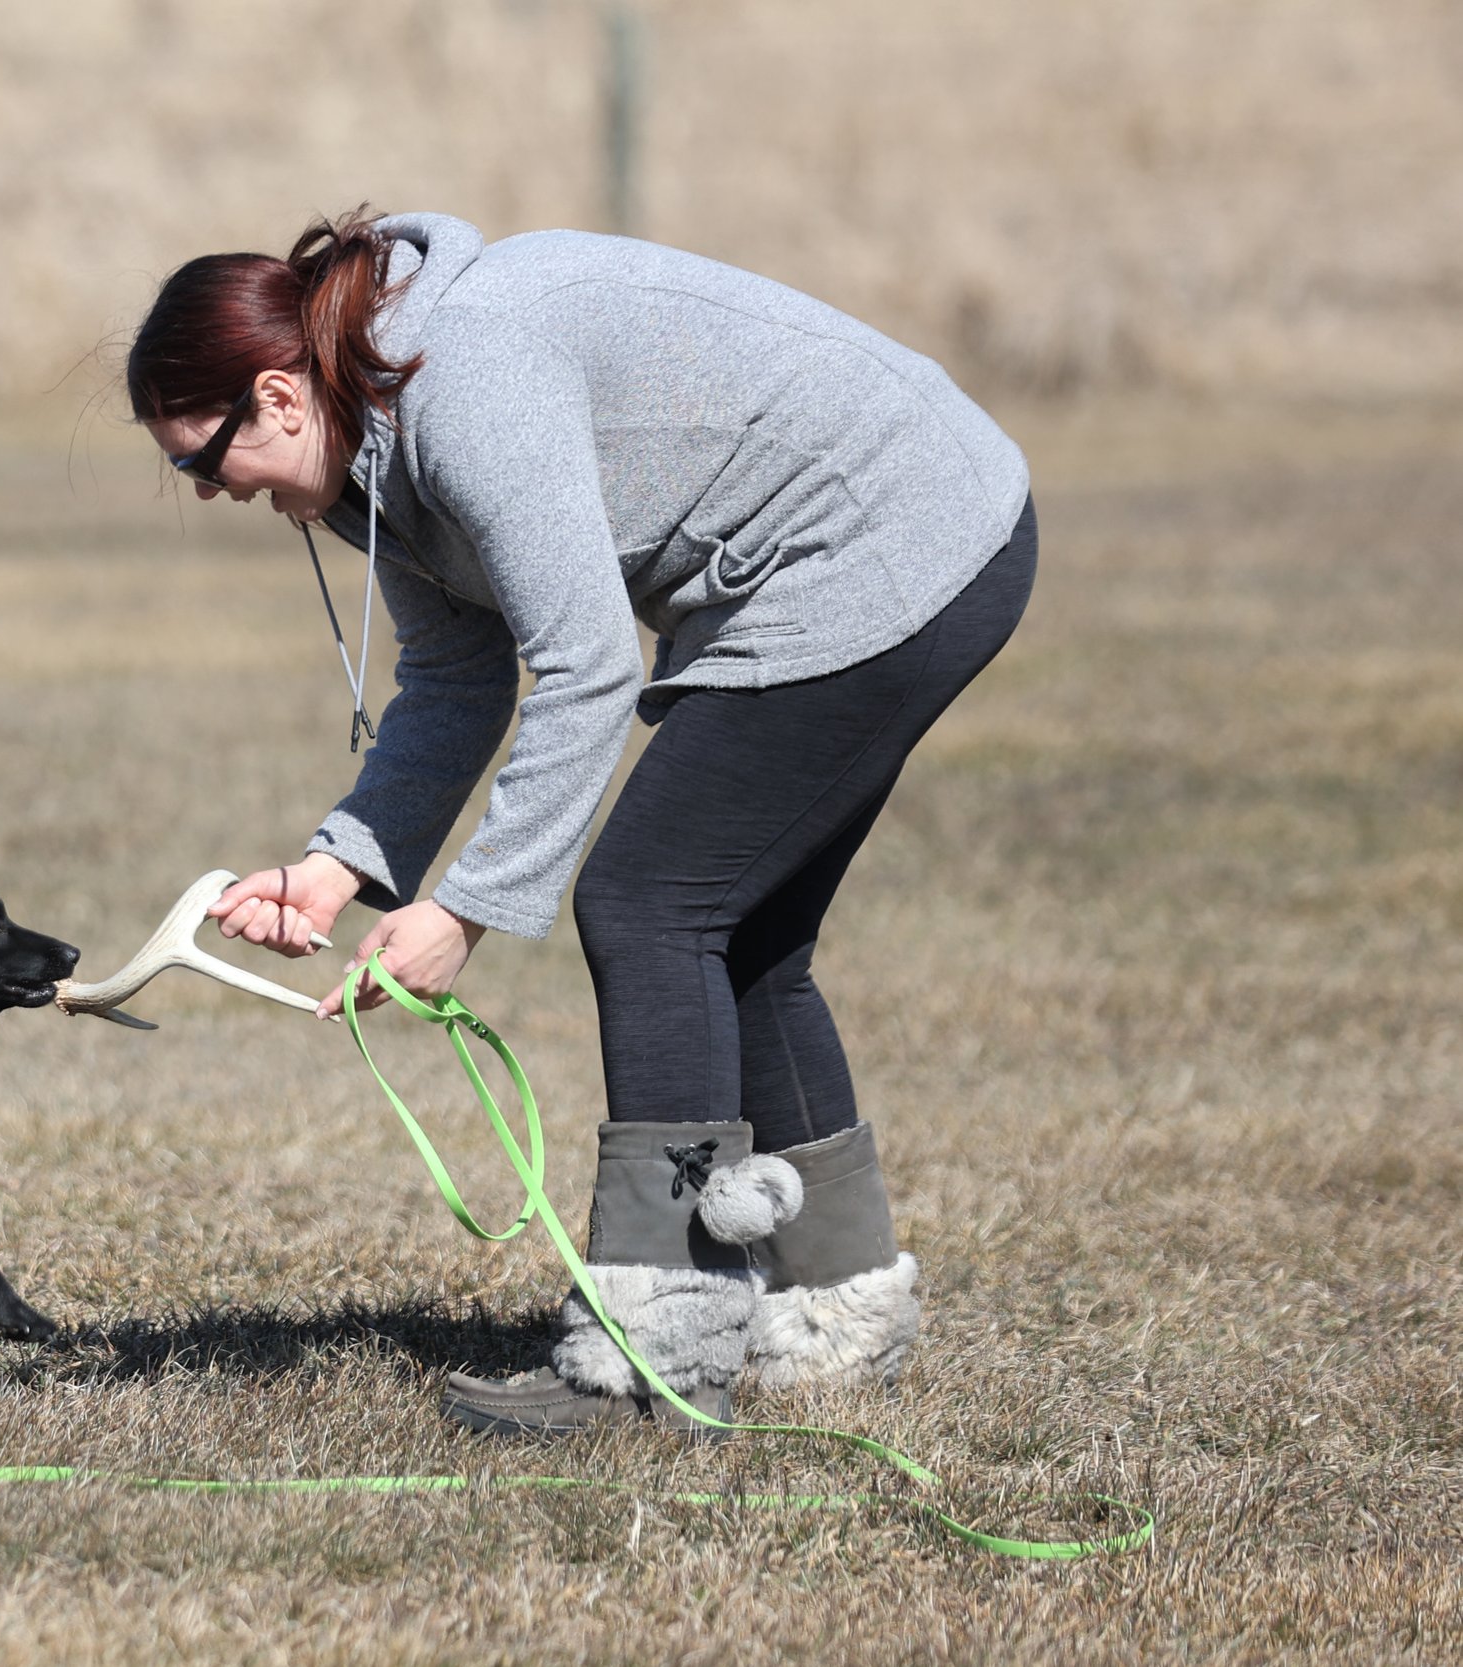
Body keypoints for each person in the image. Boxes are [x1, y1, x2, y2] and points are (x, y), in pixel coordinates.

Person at [126, 209, 1037, 1438]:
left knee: (650, 905)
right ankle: (836, 1309)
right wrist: (339, 868)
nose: (211, 488)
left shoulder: (464, 386)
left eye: (203, 457)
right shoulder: (369, 439)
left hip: (890, 531)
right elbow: (456, 675)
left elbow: (587, 665)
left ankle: (660, 1349)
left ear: (278, 396)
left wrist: (464, 910)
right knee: (740, 932)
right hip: (874, 537)